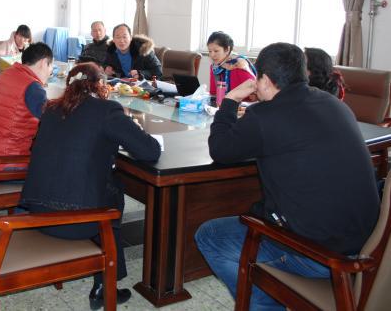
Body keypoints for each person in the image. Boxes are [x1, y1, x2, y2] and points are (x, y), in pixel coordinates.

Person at [195, 42, 379, 310]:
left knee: (210, 235)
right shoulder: (334, 103)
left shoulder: (264, 116)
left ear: (265, 80)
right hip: (368, 246)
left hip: (321, 256)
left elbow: (220, 150)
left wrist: (231, 99)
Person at [20, 62, 161, 309]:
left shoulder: (51, 109)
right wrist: (131, 128)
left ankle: (107, 280)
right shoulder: (107, 111)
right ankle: (105, 285)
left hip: (37, 214)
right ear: (101, 85)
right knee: (113, 193)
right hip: (76, 224)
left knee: (102, 187)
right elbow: (149, 150)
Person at [0, 43, 53, 172]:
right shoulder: (32, 86)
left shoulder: (6, 74)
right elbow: (53, 119)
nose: (51, 71)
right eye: (51, 65)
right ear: (43, 62)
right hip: (9, 162)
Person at [206, 31, 256, 98]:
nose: (212, 55)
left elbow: (253, 89)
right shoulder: (215, 67)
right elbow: (213, 92)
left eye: (216, 51)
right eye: (210, 51)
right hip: (223, 102)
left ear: (227, 49)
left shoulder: (239, 64)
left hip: (243, 103)